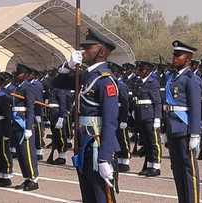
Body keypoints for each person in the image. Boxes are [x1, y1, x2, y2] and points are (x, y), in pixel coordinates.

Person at [57, 28, 120, 202]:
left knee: (102, 196)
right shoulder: (86, 75)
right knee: (88, 196)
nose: (83, 51)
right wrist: (67, 66)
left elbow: (110, 122)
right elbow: (56, 83)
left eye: (88, 47)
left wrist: (105, 157)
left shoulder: (105, 80)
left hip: (97, 145)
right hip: (83, 143)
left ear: (101, 51)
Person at [165, 40, 202, 202]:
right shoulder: (172, 78)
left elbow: (195, 108)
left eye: (178, 55)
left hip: (185, 129)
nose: (174, 58)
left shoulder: (190, 79)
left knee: (189, 171)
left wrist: (195, 134)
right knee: (177, 170)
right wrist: (165, 130)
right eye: (174, 54)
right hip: (173, 128)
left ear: (188, 59)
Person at [12, 64, 39, 191]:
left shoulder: (28, 87)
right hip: (16, 122)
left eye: (20, 73)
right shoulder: (18, 87)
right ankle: (27, 178)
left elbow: (30, 108)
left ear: (26, 75)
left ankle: (34, 179)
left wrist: (28, 127)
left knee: (28, 152)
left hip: (24, 122)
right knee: (21, 153)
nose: (18, 75)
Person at [0, 72, 13, 187]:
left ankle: (6, 177)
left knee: (4, 153)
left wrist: (7, 133)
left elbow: (8, 117)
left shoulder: (3, 96)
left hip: (1, 128)